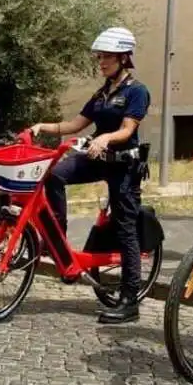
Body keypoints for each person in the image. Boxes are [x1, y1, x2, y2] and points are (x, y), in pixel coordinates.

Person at [31, 27, 150, 324]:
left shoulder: (136, 91)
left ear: (124, 57)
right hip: (97, 158)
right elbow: (74, 124)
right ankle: (57, 237)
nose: (101, 63)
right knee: (54, 175)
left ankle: (129, 300)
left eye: (106, 57)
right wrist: (42, 126)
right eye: (99, 57)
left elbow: (127, 130)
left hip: (123, 165)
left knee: (125, 229)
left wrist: (105, 138)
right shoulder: (101, 93)